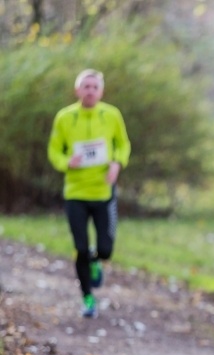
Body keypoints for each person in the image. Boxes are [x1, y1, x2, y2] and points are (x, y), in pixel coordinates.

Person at [47, 69, 131, 318]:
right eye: (86, 86)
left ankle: (96, 262)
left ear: (101, 91)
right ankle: (87, 298)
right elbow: (54, 151)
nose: (90, 91)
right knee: (80, 248)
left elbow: (123, 144)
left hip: (104, 192)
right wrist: (66, 162)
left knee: (105, 250)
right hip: (75, 193)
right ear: (77, 90)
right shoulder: (64, 117)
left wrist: (117, 162)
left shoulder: (112, 114)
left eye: (95, 87)